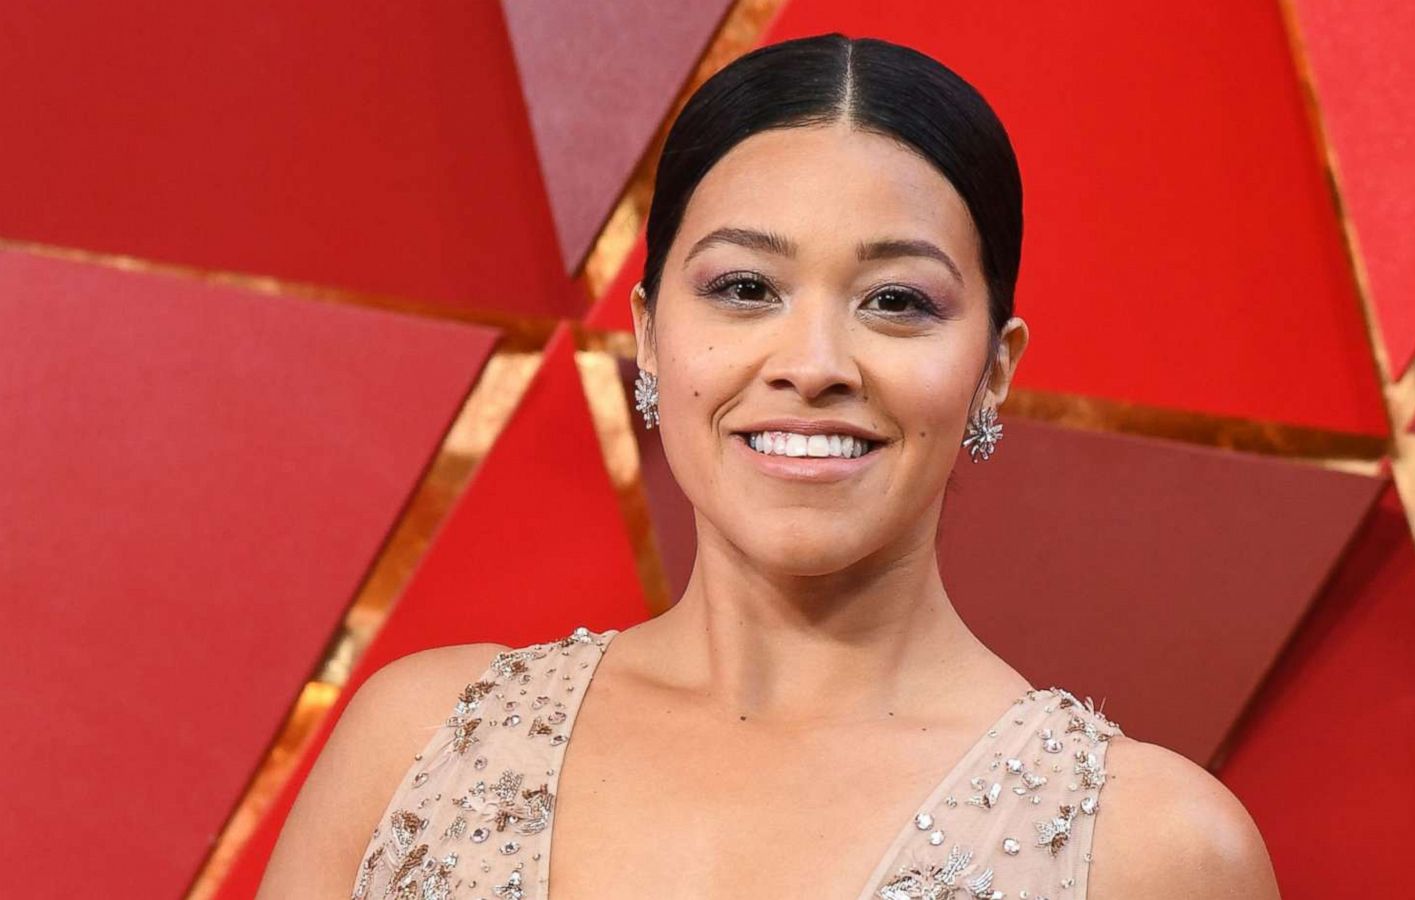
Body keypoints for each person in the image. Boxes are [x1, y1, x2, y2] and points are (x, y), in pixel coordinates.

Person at [260, 32, 1280, 900]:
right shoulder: (424, 744)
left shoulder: (1152, 847)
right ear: (653, 337)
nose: (812, 366)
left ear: (992, 372)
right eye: (746, 286)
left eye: (896, 301)